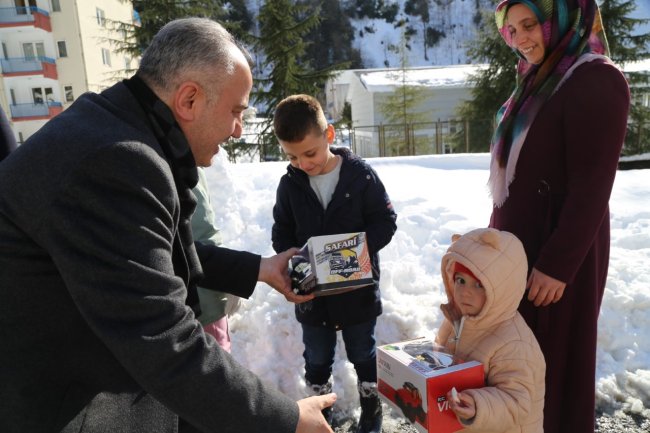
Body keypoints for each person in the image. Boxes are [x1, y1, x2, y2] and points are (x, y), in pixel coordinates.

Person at [0, 18, 335, 433]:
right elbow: (163, 340)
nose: (238, 129)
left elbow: (149, 256)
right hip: (62, 407)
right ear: (189, 100)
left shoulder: (118, 128)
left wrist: (259, 269)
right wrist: (286, 420)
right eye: (235, 111)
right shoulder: (117, 160)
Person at [488, 1, 630, 432]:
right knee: (521, 368)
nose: (521, 38)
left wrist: (557, 264)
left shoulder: (595, 79)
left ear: (563, 17)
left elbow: (593, 186)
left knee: (556, 370)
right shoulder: (537, 79)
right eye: (511, 29)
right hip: (521, 251)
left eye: (529, 24)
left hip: (556, 257)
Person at [271, 94, 397, 433]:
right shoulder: (290, 185)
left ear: (329, 136)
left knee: (362, 351)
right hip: (313, 293)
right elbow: (281, 230)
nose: (303, 163)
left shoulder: (360, 177)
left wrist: (358, 251)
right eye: (292, 156)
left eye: (309, 153)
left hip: (356, 289)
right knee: (316, 358)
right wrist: (293, 257)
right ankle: (320, 413)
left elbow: (386, 221)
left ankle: (371, 411)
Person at [435, 228, 545, 433]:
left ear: (502, 289)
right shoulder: (456, 318)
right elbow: (440, 352)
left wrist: (478, 405)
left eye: (478, 285)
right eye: (460, 280)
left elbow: (517, 402)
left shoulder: (513, 343)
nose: (465, 292)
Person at [191, 166, 242, 352]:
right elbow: (201, 235)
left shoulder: (189, 166)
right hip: (203, 305)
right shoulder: (177, 167)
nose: (237, 134)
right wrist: (228, 278)